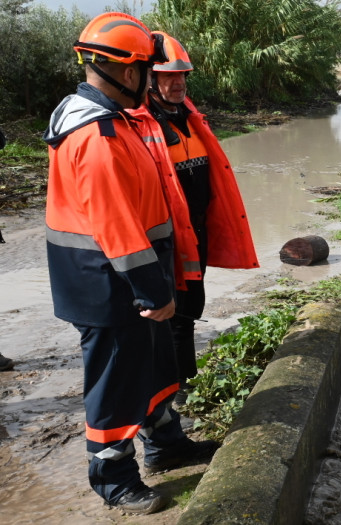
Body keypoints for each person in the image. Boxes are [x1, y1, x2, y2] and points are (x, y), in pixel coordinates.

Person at [42, 12, 217, 515]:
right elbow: (118, 227)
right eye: (147, 68)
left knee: (156, 367)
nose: (153, 77)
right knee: (116, 382)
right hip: (110, 285)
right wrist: (154, 291)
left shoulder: (117, 121)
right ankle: (114, 478)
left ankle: (166, 445)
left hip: (133, 278)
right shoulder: (98, 137)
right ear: (125, 71)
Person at [130, 32, 259, 402]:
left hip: (196, 233)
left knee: (188, 312)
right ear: (148, 79)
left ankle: (185, 384)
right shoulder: (139, 126)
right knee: (170, 318)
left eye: (183, 75)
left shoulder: (188, 117)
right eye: (169, 76)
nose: (179, 83)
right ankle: (178, 392)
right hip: (164, 239)